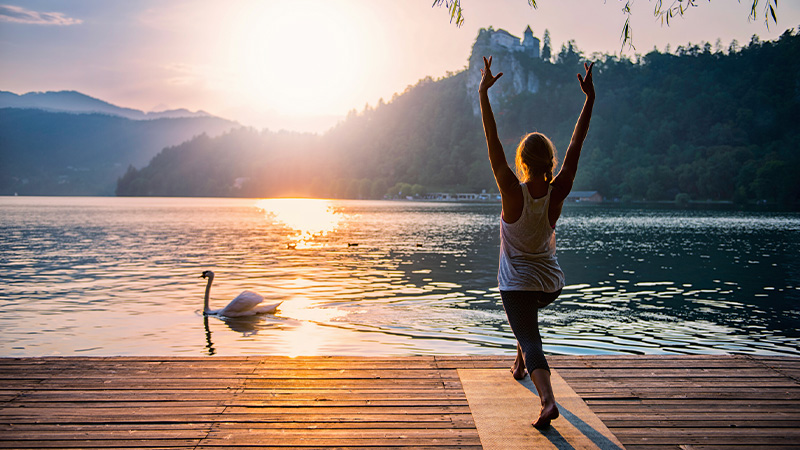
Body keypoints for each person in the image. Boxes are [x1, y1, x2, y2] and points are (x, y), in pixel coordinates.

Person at [478, 55, 595, 429]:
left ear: (522, 162)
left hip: (517, 285)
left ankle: (547, 401)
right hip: (550, 284)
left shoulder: (512, 191)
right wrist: (589, 99)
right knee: (524, 324)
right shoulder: (557, 191)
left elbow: (492, 141)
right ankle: (518, 365)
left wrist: (483, 94)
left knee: (530, 337)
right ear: (549, 162)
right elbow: (577, 143)